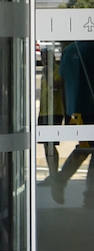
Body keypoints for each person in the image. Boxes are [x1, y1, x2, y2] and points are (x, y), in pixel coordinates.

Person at [51, 39, 94, 207]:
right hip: (90, 107)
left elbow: (62, 82)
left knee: (85, 147)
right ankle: (89, 196)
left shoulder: (69, 51)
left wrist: (67, 113)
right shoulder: (91, 49)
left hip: (75, 109)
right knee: (87, 148)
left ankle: (63, 181)